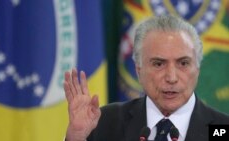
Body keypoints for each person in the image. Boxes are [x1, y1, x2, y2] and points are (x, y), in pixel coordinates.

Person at [63, 15, 229, 141]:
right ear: (138, 71)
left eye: (183, 63)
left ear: (197, 69)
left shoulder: (222, 129)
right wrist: (76, 137)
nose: (171, 78)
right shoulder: (104, 123)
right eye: (158, 64)